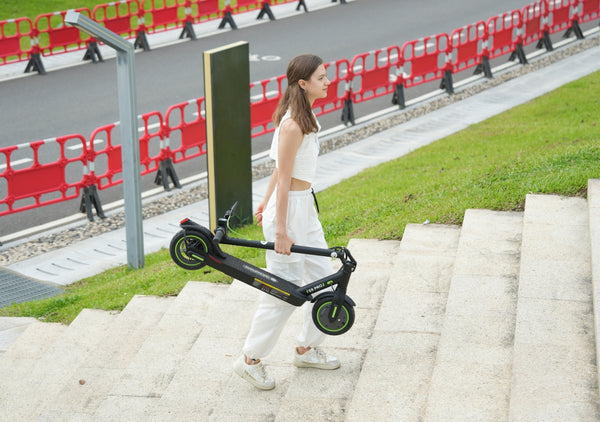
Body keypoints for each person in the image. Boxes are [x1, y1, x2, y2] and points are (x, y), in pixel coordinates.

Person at [233, 54, 340, 390]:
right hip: (290, 212)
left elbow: (281, 168)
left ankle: (307, 348)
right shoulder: (292, 124)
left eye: (326, 76)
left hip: (303, 209)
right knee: (284, 290)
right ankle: (250, 360)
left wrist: (262, 203)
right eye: (321, 78)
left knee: (327, 278)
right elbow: (283, 179)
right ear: (303, 83)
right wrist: (279, 228)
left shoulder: (306, 117)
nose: (327, 81)